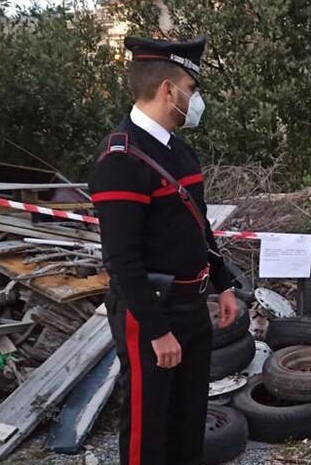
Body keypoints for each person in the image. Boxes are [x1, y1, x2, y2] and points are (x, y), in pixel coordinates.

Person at [88, 34, 239, 465]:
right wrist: (157, 330)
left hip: (192, 307)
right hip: (150, 312)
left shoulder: (176, 148)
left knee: (188, 417)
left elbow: (197, 225)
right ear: (168, 91)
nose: (195, 101)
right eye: (192, 91)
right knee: (147, 426)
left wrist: (223, 284)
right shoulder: (122, 159)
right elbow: (122, 259)